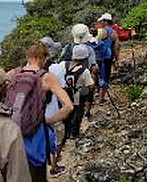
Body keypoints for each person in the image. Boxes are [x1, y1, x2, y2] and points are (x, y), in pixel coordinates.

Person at [9, 42, 73, 182]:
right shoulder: (46, 77)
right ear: (43, 58)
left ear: (28, 56)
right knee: (38, 174)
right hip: (36, 133)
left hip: (13, 131)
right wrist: (47, 120)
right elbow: (68, 106)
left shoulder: (13, 74)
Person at [39, 37, 67, 177]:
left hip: (35, 113)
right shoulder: (55, 68)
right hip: (53, 112)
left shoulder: (28, 69)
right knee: (58, 139)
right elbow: (62, 87)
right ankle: (54, 167)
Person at [60, 44, 95, 138]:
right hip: (78, 94)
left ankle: (65, 132)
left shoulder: (63, 65)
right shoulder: (85, 71)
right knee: (78, 112)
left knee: (67, 110)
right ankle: (74, 133)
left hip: (64, 92)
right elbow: (90, 85)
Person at [96, 13, 120, 105]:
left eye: (102, 21)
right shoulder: (113, 33)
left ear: (105, 21)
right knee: (105, 76)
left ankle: (98, 93)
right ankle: (101, 98)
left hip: (97, 56)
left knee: (97, 74)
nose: (100, 22)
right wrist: (116, 59)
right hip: (107, 56)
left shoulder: (98, 31)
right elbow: (116, 47)